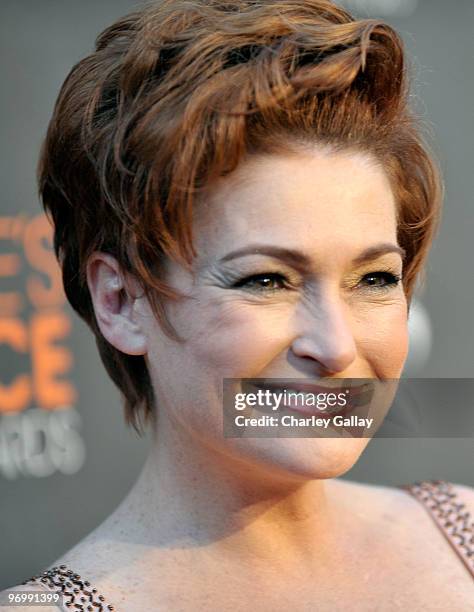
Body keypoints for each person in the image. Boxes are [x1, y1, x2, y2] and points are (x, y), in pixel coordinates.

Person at [3, 0, 473, 609]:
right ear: (121, 302)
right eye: (266, 280)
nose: (334, 347)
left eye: (375, 279)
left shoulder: (463, 535)